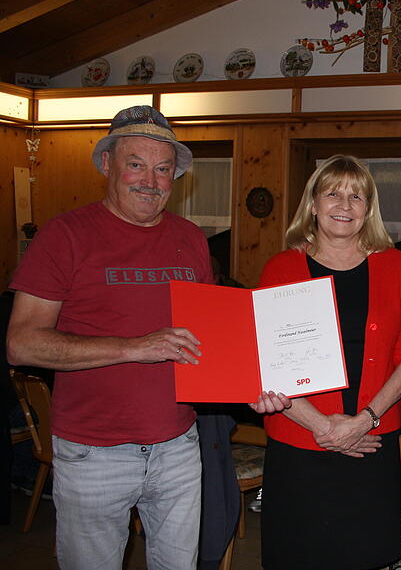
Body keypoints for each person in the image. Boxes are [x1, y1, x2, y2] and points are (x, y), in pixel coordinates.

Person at [5, 105, 288, 570]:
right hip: (93, 451)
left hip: (178, 443)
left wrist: (250, 385)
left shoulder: (191, 237)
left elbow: (208, 338)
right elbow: (22, 344)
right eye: (136, 164)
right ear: (107, 165)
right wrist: (134, 347)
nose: (150, 181)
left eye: (163, 169)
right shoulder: (64, 235)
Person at [251, 154, 401, 569]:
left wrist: (364, 420)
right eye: (333, 193)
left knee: (363, 556)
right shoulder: (280, 269)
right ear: (313, 203)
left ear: (368, 209)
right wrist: (324, 428)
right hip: (300, 442)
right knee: (298, 557)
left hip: (370, 441)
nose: (344, 205)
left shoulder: (397, 266)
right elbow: (268, 362)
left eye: (356, 196)